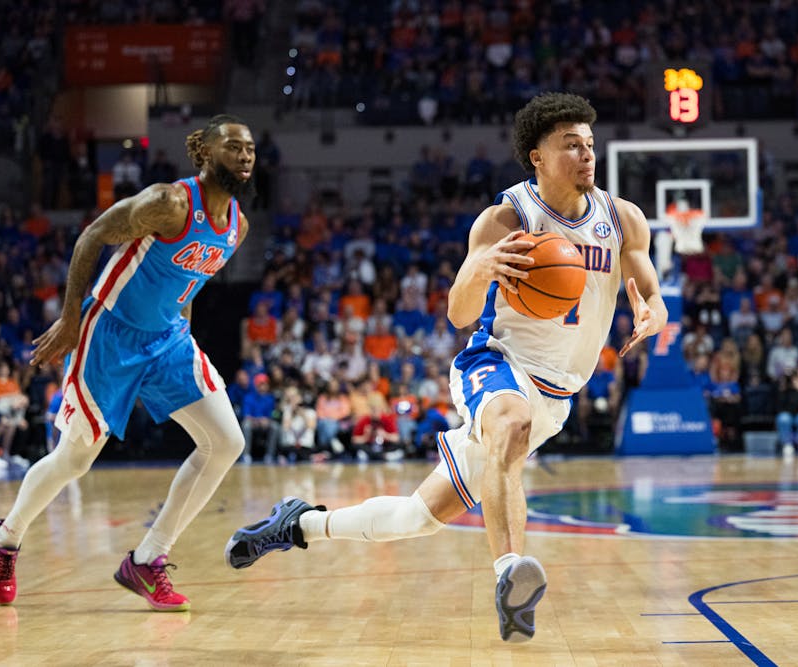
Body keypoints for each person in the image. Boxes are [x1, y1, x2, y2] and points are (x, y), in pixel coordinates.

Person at [224, 93, 667, 642]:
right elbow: (459, 312)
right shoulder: (506, 219)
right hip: (496, 361)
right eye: (570, 145)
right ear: (536, 156)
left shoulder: (622, 219)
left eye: (589, 145)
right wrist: (480, 266)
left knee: (417, 518)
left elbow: (649, 287)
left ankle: (297, 524)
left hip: (557, 393)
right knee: (510, 423)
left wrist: (654, 310)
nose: (586, 155)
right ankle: (510, 574)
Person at [0, 115, 256, 612]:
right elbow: (91, 237)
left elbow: (186, 282)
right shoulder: (168, 202)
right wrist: (69, 321)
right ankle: (6, 538)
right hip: (110, 333)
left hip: (169, 339)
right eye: (233, 147)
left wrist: (184, 334)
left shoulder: (237, 226)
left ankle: (148, 559)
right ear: (206, 155)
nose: (244, 156)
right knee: (78, 456)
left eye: (251, 149)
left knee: (226, 442)